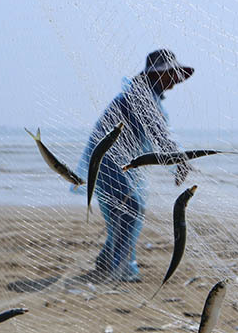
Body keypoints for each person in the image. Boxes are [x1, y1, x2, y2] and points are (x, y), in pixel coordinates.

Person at [77, 49, 194, 282]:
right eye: (171, 74)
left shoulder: (148, 96)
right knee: (131, 208)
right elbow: (159, 134)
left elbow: (159, 134)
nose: (175, 80)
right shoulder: (141, 97)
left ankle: (107, 260)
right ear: (158, 74)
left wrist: (179, 160)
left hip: (117, 163)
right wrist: (179, 161)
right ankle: (118, 268)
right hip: (108, 160)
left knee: (124, 209)